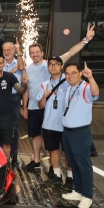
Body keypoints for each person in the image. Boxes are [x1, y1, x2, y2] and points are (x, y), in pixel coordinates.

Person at [22, 24, 95, 171]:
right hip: (35, 106)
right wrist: (25, 106)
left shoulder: (52, 63)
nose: (35, 54)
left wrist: (85, 40)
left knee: (57, 139)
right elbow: (27, 89)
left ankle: (58, 169)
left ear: (42, 52)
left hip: (54, 109)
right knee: (36, 135)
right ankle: (37, 160)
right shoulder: (27, 68)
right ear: (29, 54)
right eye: (32, 53)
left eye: (37, 52)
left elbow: (71, 52)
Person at [61, 63, 99, 208]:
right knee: (73, 162)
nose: (70, 76)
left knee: (84, 165)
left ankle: (87, 196)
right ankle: (78, 190)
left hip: (80, 132)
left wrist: (91, 78)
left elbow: (95, 93)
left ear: (80, 73)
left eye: (73, 73)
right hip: (68, 132)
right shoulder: (70, 88)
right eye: (67, 73)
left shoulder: (85, 87)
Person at [35, 56, 69, 187]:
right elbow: (41, 105)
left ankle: (70, 178)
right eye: (50, 64)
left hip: (66, 124)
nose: (53, 67)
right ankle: (56, 175)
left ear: (61, 66)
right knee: (53, 150)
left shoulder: (68, 82)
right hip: (49, 124)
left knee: (68, 152)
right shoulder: (44, 84)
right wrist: (45, 95)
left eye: (56, 64)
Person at [1, 42, 24, 165]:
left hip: (14, 98)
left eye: (9, 49)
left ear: (13, 51)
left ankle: (14, 156)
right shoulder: (0, 63)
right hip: (1, 98)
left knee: (14, 128)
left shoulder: (18, 62)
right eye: (4, 50)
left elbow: (21, 68)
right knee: (1, 128)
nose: (6, 52)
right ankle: (2, 156)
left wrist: (19, 50)